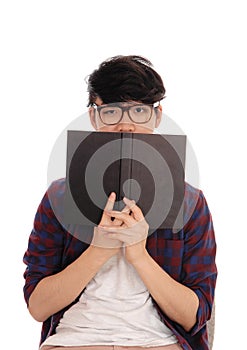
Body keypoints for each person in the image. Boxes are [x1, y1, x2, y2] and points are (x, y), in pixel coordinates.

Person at [23, 55, 217, 350]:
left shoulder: (190, 203)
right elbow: (38, 307)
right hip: (74, 342)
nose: (126, 125)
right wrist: (100, 247)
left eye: (139, 110)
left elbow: (196, 315)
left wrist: (138, 254)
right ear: (94, 116)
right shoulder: (58, 199)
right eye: (112, 111)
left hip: (159, 343)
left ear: (157, 116)